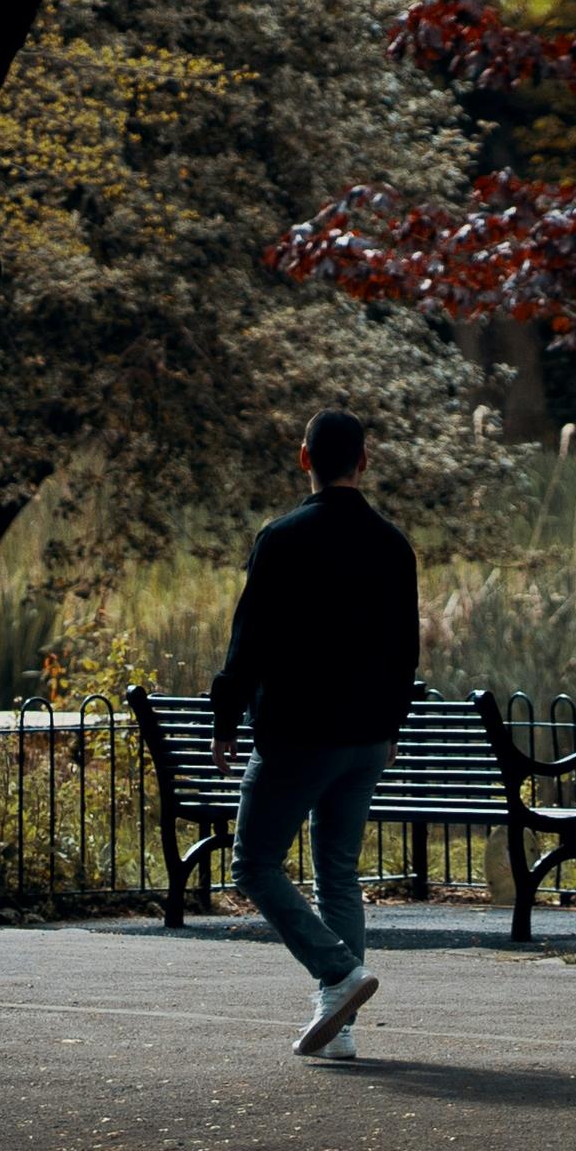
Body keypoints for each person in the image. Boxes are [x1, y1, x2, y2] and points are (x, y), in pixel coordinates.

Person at [208, 408, 420, 1061]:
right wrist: (390, 725)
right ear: (365, 460)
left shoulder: (283, 539)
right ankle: (341, 1028)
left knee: (253, 863)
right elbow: (404, 651)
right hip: (364, 737)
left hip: (299, 733)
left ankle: (336, 971)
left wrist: (226, 719)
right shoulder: (392, 545)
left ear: (305, 459)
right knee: (337, 872)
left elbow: (250, 642)